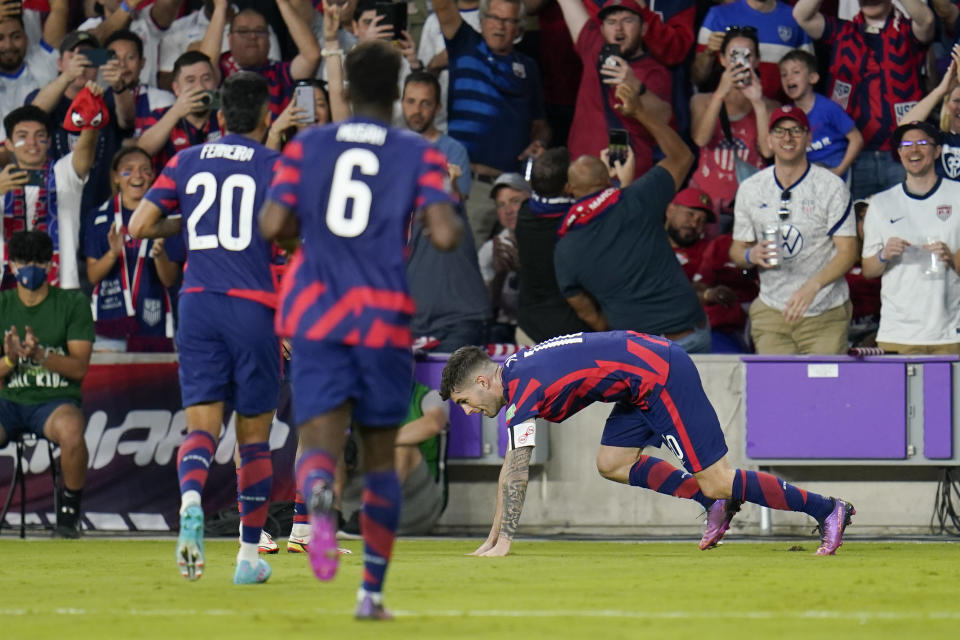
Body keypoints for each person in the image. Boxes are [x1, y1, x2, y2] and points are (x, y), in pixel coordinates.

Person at [259, 40, 462, 620]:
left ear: (344, 90)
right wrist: (434, 194)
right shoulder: (415, 153)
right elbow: (445, 236)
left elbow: (274, 224)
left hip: (316, 312)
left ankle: (317, 498)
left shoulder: (309, 145)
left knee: (318, 439)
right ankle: (370, 594)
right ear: (398, 92)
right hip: (380, 317)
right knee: (378, 457)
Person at [439, 331, 855, 556]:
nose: (469, 411)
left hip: (659, 374)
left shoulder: (521, 387)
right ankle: (714, 503)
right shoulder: (514, 371)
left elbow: (515, 471)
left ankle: (827, 508)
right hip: (638, 381)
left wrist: (503, 541)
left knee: (717, 479)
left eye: (465, 402)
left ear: (481, 381)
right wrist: (491, 539)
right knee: (612, 462)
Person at [130, 72, 283, 586]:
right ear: (265, 118)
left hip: (196, 305)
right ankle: (246, 558)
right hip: (253, 308)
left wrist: (188, 223)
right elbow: (292, 232)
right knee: (254, 441)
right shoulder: (275, 166)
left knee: (201, 428)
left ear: (219, 119)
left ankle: (191, 498)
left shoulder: (185, 160)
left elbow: (139, 226)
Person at [553, 83, 709, 354]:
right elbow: (682, 156)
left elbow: (589, 316)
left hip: (637, 353)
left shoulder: (564, 249)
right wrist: (639, 112)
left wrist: (619, 331)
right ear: (606, 178)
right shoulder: (637, 199)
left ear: (568, 190)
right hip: (687, 336)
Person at [730, 105, 858, 355]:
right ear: (768, 139)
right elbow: (737, 249)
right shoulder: (751, 188)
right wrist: (750, 256)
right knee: (777, 392)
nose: (787, 138)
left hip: (825, 312)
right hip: (772, 312)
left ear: (809, 138)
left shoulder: (831, 186)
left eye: (796, 131)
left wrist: (814, 285)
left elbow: (848, 252)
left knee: (823, 392)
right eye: (779, 131)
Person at [433, 0, 550, 248]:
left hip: (514, 190)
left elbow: (540, 124)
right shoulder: (465, 45)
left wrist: (539, 142)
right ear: (482, 20)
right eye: (495, 18)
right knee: (466, 270)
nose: (500, 26)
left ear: (519, 28)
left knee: (510, 274)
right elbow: (443, 7)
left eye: (508, 21)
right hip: (470, 186)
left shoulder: (529, 68)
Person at [0, 230, 94, 538]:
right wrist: (11, 360)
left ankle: (69, 513)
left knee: (71, 431)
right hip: (7, 401)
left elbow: (79, 368)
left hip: (54, 402)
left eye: (38, 262)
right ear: (10, 265)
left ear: (50, 265)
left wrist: (40, 355)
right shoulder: (2, 304)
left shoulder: (72, 303)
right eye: (23, 261)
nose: (30, 268)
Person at [793, 0, 934, 200]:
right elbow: (801, 15)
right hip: (853, 154)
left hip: (903, 153)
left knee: (906, 225)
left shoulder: (907, 32)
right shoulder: (843, 31)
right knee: (857, 226)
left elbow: (927, 20)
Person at [859, 121, 960, 354]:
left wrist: (951, 257)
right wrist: (884, 255)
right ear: (899, 153)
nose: (913, 150)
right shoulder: (880, 203)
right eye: (906, 145)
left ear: (937, 151)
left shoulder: (957, 195)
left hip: (948, 332)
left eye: (922, 143)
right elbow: (869, 269)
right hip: (898, 333)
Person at [555, 0, 673, 177]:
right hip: (581, 176)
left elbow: (664, 118)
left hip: (626, 179)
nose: (618, 28)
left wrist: (634, 84)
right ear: (602, 30)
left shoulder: (654, 72)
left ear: (643, 29)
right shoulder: (593, 47)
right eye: (611, 22)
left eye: (627, 21)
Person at [82, 147, 183, 352]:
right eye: (128, 170)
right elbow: (92, 276)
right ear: (116, 177)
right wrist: (112, 253)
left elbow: (170, 279)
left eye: (145, 170)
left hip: (155, 319)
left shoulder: (168, 218)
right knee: (110, 384)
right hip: (109, 322)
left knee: (155, 384)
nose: (137, 176)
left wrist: (160, 255)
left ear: (153, 175)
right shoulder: (99, 218)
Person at [29, 31, 130, 222]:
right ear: (59, 63)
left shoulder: (108, 98)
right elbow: (34, 114)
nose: (82, 65)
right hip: (52, 207)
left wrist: (119, 86)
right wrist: (67, 76)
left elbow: (127, 120)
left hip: (99, 208)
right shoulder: (45, 96)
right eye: (73, 57)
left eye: (89, 58)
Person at [1, 101, 99, 290]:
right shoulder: (1, 180)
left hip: (59, 288)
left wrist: (90, 122)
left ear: (49, 141)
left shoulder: (64, 172)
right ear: (9, 145)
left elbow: (85, 154)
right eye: (22, 136)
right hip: (6, 289)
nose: (32, 143)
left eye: (40, 136)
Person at [340, 379, 450, 536]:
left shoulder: (429, 396)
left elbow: (433, 423)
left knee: (402, 448)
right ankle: (330, 515)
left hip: (416, 504)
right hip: (352, 505)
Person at [689, 27, 777, 219]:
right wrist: (720, 94)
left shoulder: (770, 106)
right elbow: (701, 139)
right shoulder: (701, 101)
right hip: (706, 204)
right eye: (734, 55)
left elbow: (768, 151)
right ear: (722, 59)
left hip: (751, 203)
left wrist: (758, 103)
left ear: (757, 61)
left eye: (747, 55)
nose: (740, 62)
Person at [514, 147, 589, 346]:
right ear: (568, 186)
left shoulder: (524, 213)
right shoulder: (577, 225)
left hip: (528, 329)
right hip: (569, 336)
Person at [199, 0, 320, 118]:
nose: (252, 36)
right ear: (229, 39)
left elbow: (311, 56)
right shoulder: (222, 72)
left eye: (260, 31)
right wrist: (220, 7)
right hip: (229, 137)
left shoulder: (280, 72)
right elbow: (201, 69)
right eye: (243, 31)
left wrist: (282, 2)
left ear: (269, 39)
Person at [694, 0, 814, 100]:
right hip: (727, 115)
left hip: (778, 117)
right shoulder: (718, 15)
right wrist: (709, 52)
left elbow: (809, 79)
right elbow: (697, 77)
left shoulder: (795, 18)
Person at [779, 48, 862, 179]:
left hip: (833, 164)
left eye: (795, 72)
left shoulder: (828, 108)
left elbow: (856, 138)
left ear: (813, 78)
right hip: (806, 168)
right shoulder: (788, 114)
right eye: (784, 74)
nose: (788, 78)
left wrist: (840, 169)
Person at [137, 51, 222, 172]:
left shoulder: (225, 115)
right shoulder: (161, 115)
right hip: (172, 189)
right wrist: (176, 112)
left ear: (214, 84)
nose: (200, 87)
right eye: (190, 80)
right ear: (176, 88)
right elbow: (142, 152)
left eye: (206, 79)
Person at [75, 0, 181, 87]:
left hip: (145, 103)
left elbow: (170, 3)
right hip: (105, 104)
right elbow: (88, 53)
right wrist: (127, 6)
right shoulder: (90, 25)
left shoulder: (145, 21)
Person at [0, 0, 66, 141]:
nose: (8, 45)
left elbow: (59, 8)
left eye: (16, 36)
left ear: (26, 38)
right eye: (0, 38)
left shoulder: (42, 63)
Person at [401, 71, 472, 197]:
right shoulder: (391, 145)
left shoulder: (454, 151)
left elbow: (457, 205)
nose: (417, 110)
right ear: (402, 104)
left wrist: (451, 181)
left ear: (437, 108)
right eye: (411, 101)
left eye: (426, 103)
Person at [478, 173, 530, 343]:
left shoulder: (547, 238)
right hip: (503, 326)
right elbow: (484, 310)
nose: (508, 211)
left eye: (515, 201)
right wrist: (500, 276)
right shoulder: (491, 249)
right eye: (501, 205)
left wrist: (522, 270)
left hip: (538, 323)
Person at [416, 0, 481, 134]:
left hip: (477, 117)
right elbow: (423, 78)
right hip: (439, 120)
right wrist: (435, 64)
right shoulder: (433, 21)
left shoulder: (492, 19)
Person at [900, 46, 960, 183]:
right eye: (956, 101)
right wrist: (940, 90)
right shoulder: (938, 139)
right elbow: (904, 127)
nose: (959, 107)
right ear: (946, 105)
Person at [103, 29, 174, 138]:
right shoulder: (98, 99)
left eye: (130, 57)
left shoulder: (163, 100)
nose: (122, 64)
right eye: (115, 58)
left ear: (142, 63)